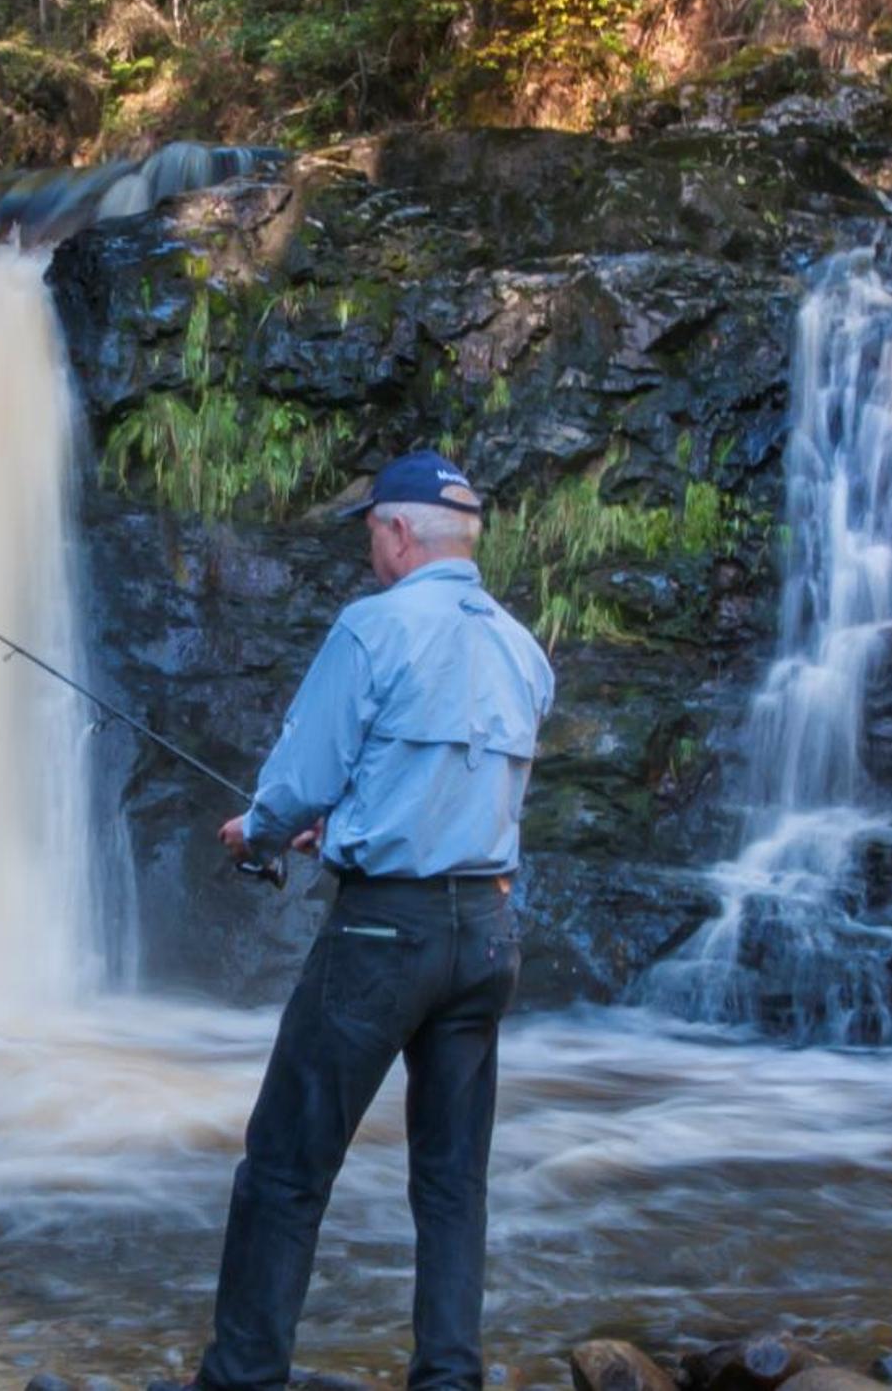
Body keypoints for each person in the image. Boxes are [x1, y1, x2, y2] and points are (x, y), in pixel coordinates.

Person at [196, 450, 556, 1391]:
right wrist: (349, 826)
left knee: (284, 1165)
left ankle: (241, 1378)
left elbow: (302, 780)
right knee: (451, 1182)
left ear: (398, 532)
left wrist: (261, 835)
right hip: (485, 936)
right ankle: (447, 1376)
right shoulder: (524, 650)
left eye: (370, 530)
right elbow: (462, 788)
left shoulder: (373, 629)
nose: (369, 547)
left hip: (381, 939)